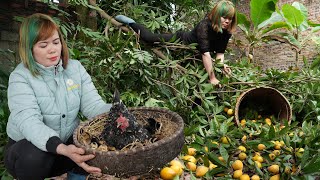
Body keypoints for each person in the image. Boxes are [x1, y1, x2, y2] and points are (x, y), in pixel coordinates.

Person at [4, 13, 111, 180]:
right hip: (28, 154)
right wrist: (62, 148)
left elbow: (93, 106)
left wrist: (116, 111)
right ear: (29, 48)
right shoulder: (20, 77)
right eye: (43, 45)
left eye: (56, 42)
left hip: (66, 150)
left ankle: (77, 175)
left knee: (95, 142)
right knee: (34, 156)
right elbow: (29, 122)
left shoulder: (75, 68)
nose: (53, 49)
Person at [115, 0, 236, 85]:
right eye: (224, 17)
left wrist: (221, 66)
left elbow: (220, 53)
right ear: (216, 15)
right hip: (181, 41)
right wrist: (212, 77)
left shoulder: (227, 32)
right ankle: (131, 22)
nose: (227, 21)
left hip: (197, 52)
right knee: (149, 38)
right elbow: (206, 54)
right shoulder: (204, 26)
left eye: (230, 18)